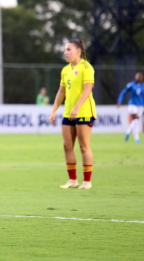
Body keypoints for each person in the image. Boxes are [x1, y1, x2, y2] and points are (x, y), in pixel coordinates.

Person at [49, 39, 96, 190]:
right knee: (67, 145)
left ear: (78, 51)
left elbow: (88, 90)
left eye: (68, 49)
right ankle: (72, 180)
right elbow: (61, 92)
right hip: (68, 112)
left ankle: (87, 181)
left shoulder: (86, 67)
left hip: (83, 111)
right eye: (65, 50)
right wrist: (54, 110)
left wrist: (77, 107)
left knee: (83, 146)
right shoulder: (65, 70)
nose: (65, 52)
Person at [117, 72, 144, 144]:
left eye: (140, 77)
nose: (139, 78)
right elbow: (123, 92)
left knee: (135, 121)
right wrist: (120, 101)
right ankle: (137, 138)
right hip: (132, 105)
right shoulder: (131, 85)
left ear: (142, 78)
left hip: (141, 106)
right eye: (137, 77)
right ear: (135, 77)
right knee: (135, 120)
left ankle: (128, 131)